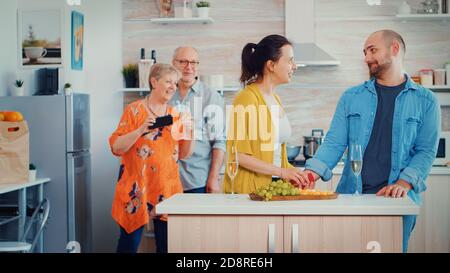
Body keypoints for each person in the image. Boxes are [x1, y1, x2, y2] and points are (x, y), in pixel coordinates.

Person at [303, 30, 441, 252]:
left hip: (396, 201)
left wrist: (403, 184)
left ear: (394, 49)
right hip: (352, 197)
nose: (367, 57)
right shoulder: (351, 97)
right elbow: (334, 143)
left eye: (372, 50)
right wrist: (310, 173)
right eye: (365, 52)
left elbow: (425, 151)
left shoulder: (426, 101)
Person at [109, 63, 194, 253]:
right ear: (154, 82)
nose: (173, 86)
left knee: (166, 247)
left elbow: (185, 154)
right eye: (168, 81)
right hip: (136, 189)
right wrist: (140, 130)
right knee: (128, 246)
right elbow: (116, 147)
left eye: (175, 82)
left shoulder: (175, 115)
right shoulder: (134, 110)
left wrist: (190, 131)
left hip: (167, 188)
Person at [223, 34, 310, 194]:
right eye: (290, 60)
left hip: (272, 190)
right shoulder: (246, 98)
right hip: (249, 193)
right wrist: (282, 172)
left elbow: (276, 157)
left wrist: (296, 174)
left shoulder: (275, 99)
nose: (295, 66)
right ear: (271, 65)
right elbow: (238, 156)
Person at [170, 46, 226, 193]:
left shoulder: (211, 96)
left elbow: (219, 141)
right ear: (173, 63)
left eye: (194, 62)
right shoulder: (166, 93)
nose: (189, 67)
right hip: (165, 179)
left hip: (196, 181)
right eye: (183, 62)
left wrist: (213, 178)